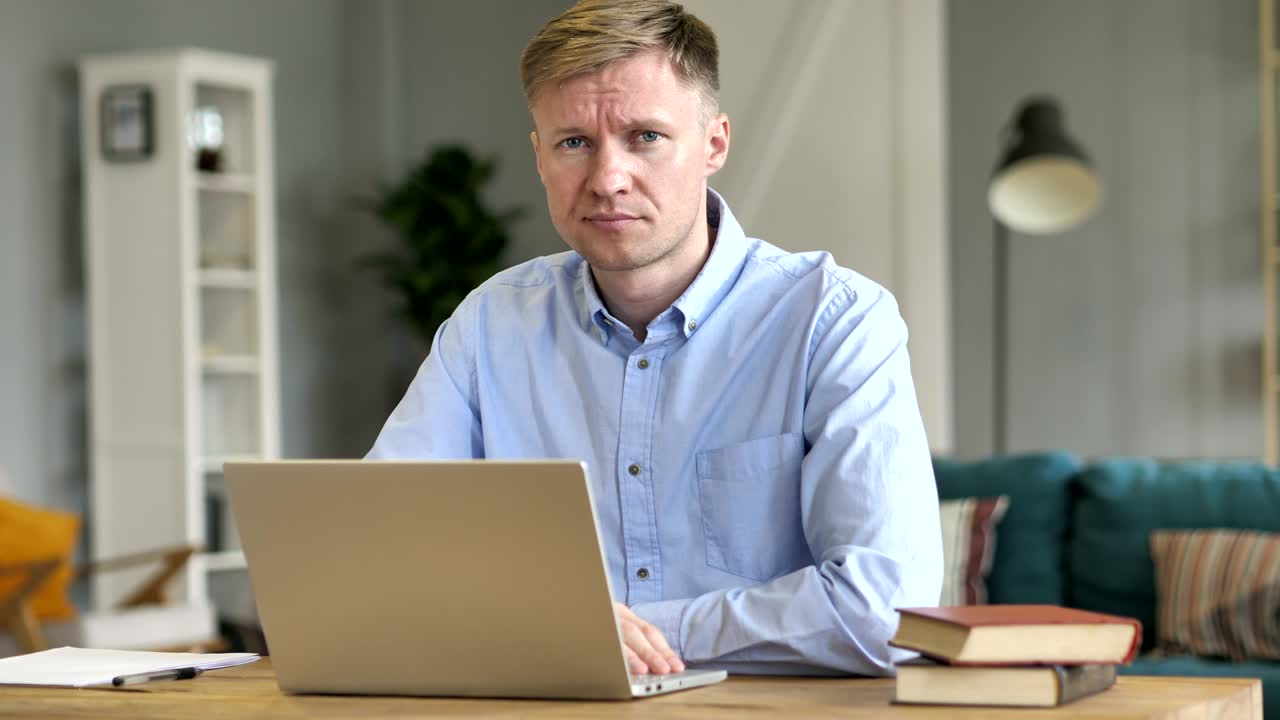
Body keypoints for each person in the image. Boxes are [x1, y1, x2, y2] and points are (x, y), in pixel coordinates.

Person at [367, 0, 942, 677]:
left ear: (714, 145)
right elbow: (374, 554)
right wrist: (554, 627)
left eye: (644, 136)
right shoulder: (490, 325)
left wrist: (594, 628)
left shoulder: (834, 320)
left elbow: (886, 611)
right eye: (574, 142)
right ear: (540, 157)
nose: (608, 179)